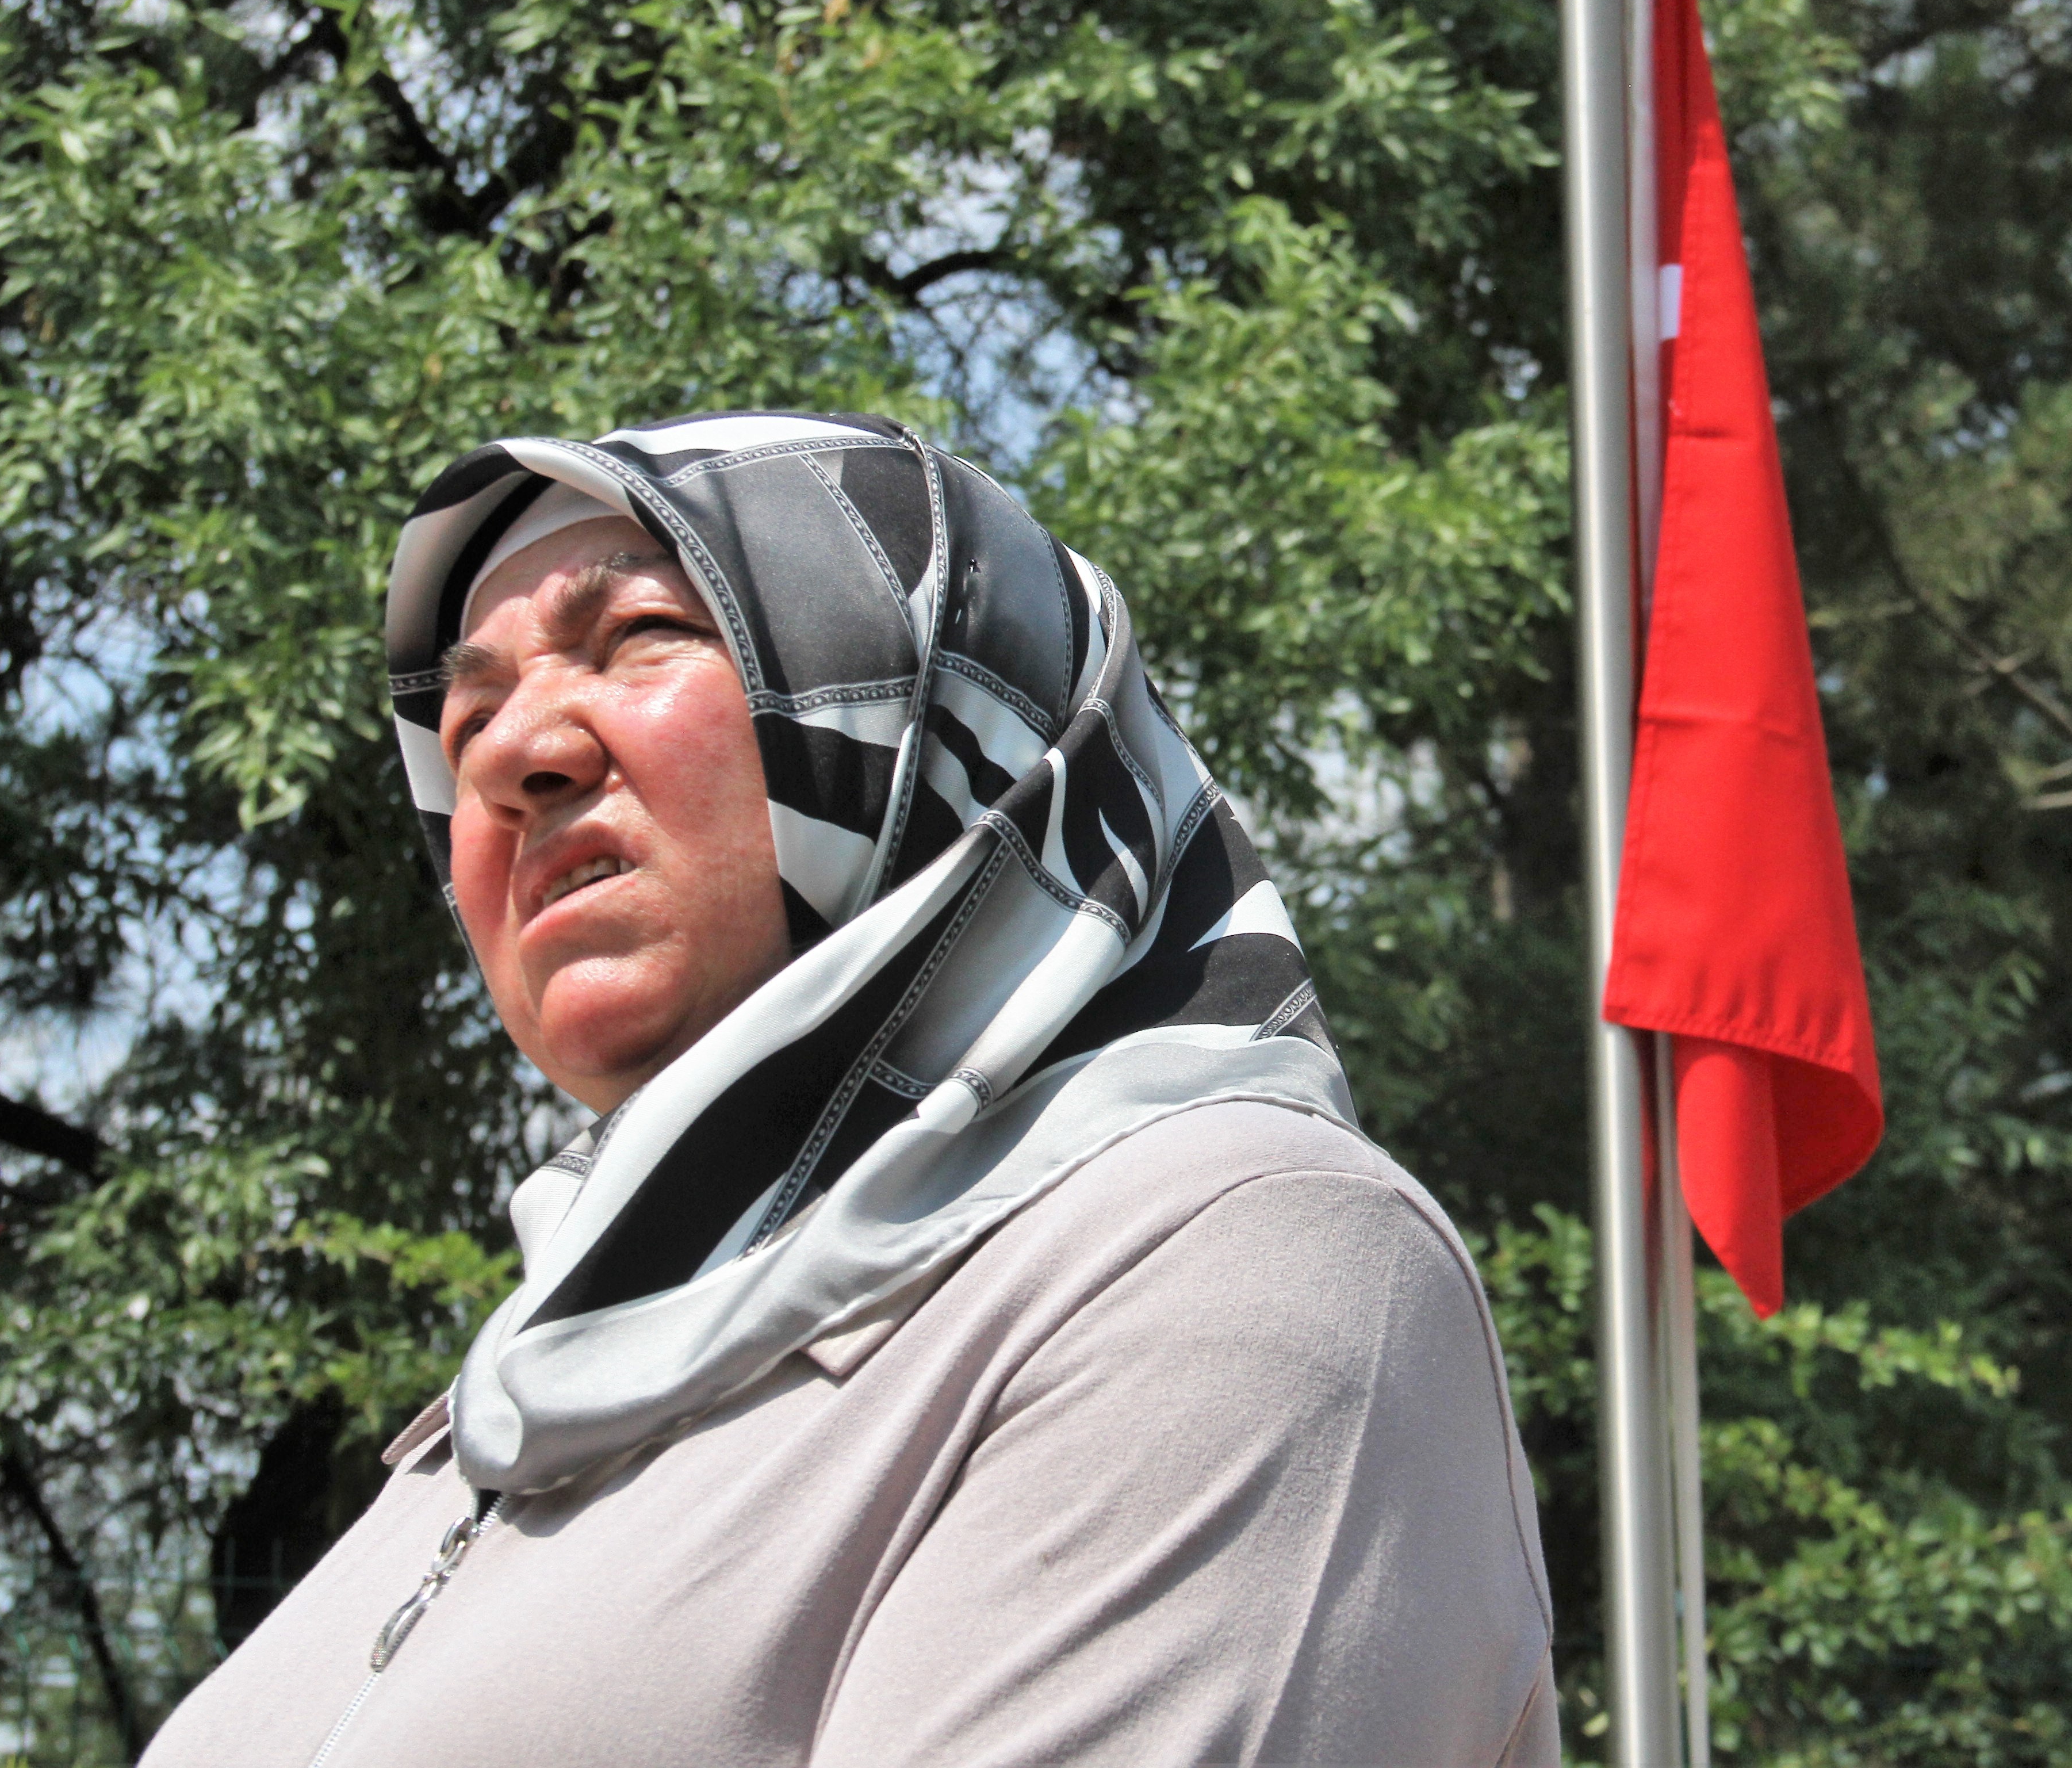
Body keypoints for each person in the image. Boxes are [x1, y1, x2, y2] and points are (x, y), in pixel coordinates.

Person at [144, 411, 1558, 1767]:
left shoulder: (1230, 1253)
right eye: (463, 725)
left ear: (942, 706)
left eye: (637, 636)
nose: (511, 757)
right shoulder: (495, 1418)